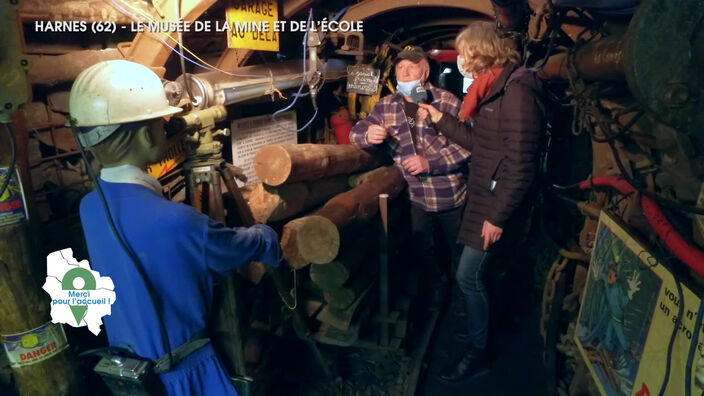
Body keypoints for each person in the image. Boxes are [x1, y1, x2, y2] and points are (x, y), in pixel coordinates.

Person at [70, 60, 282, 395]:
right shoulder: (176, 222)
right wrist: (266, 237)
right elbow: (233, 249)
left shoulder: (89, 207)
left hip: (129, 374)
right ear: (145, 134)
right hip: (183, 375)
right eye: (161, 123)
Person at [418, 21, 545, 380]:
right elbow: (481, 144)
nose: (461, 59)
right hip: (485, 195)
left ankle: (480, 352)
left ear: (483, 50)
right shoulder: (492, 89)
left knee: (468, 275)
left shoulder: (517, 91)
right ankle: (481, 328)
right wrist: (440, 118)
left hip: (496, 203)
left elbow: (522, 165)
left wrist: (498, 217)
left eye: (465, 51)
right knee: (477, 275)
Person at [349, 45, 471, 307]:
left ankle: (462, 300)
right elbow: (357, 130)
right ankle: (439, 289)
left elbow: (469, 145)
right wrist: (367, 135)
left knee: (459, 252)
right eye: (400, 68)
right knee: (425, 250)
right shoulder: (387, 106)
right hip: (417, 199)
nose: (404, 73)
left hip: (452, 197)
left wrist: (431, 163)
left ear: (425, 72)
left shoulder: (447, 102)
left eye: (411, 68)